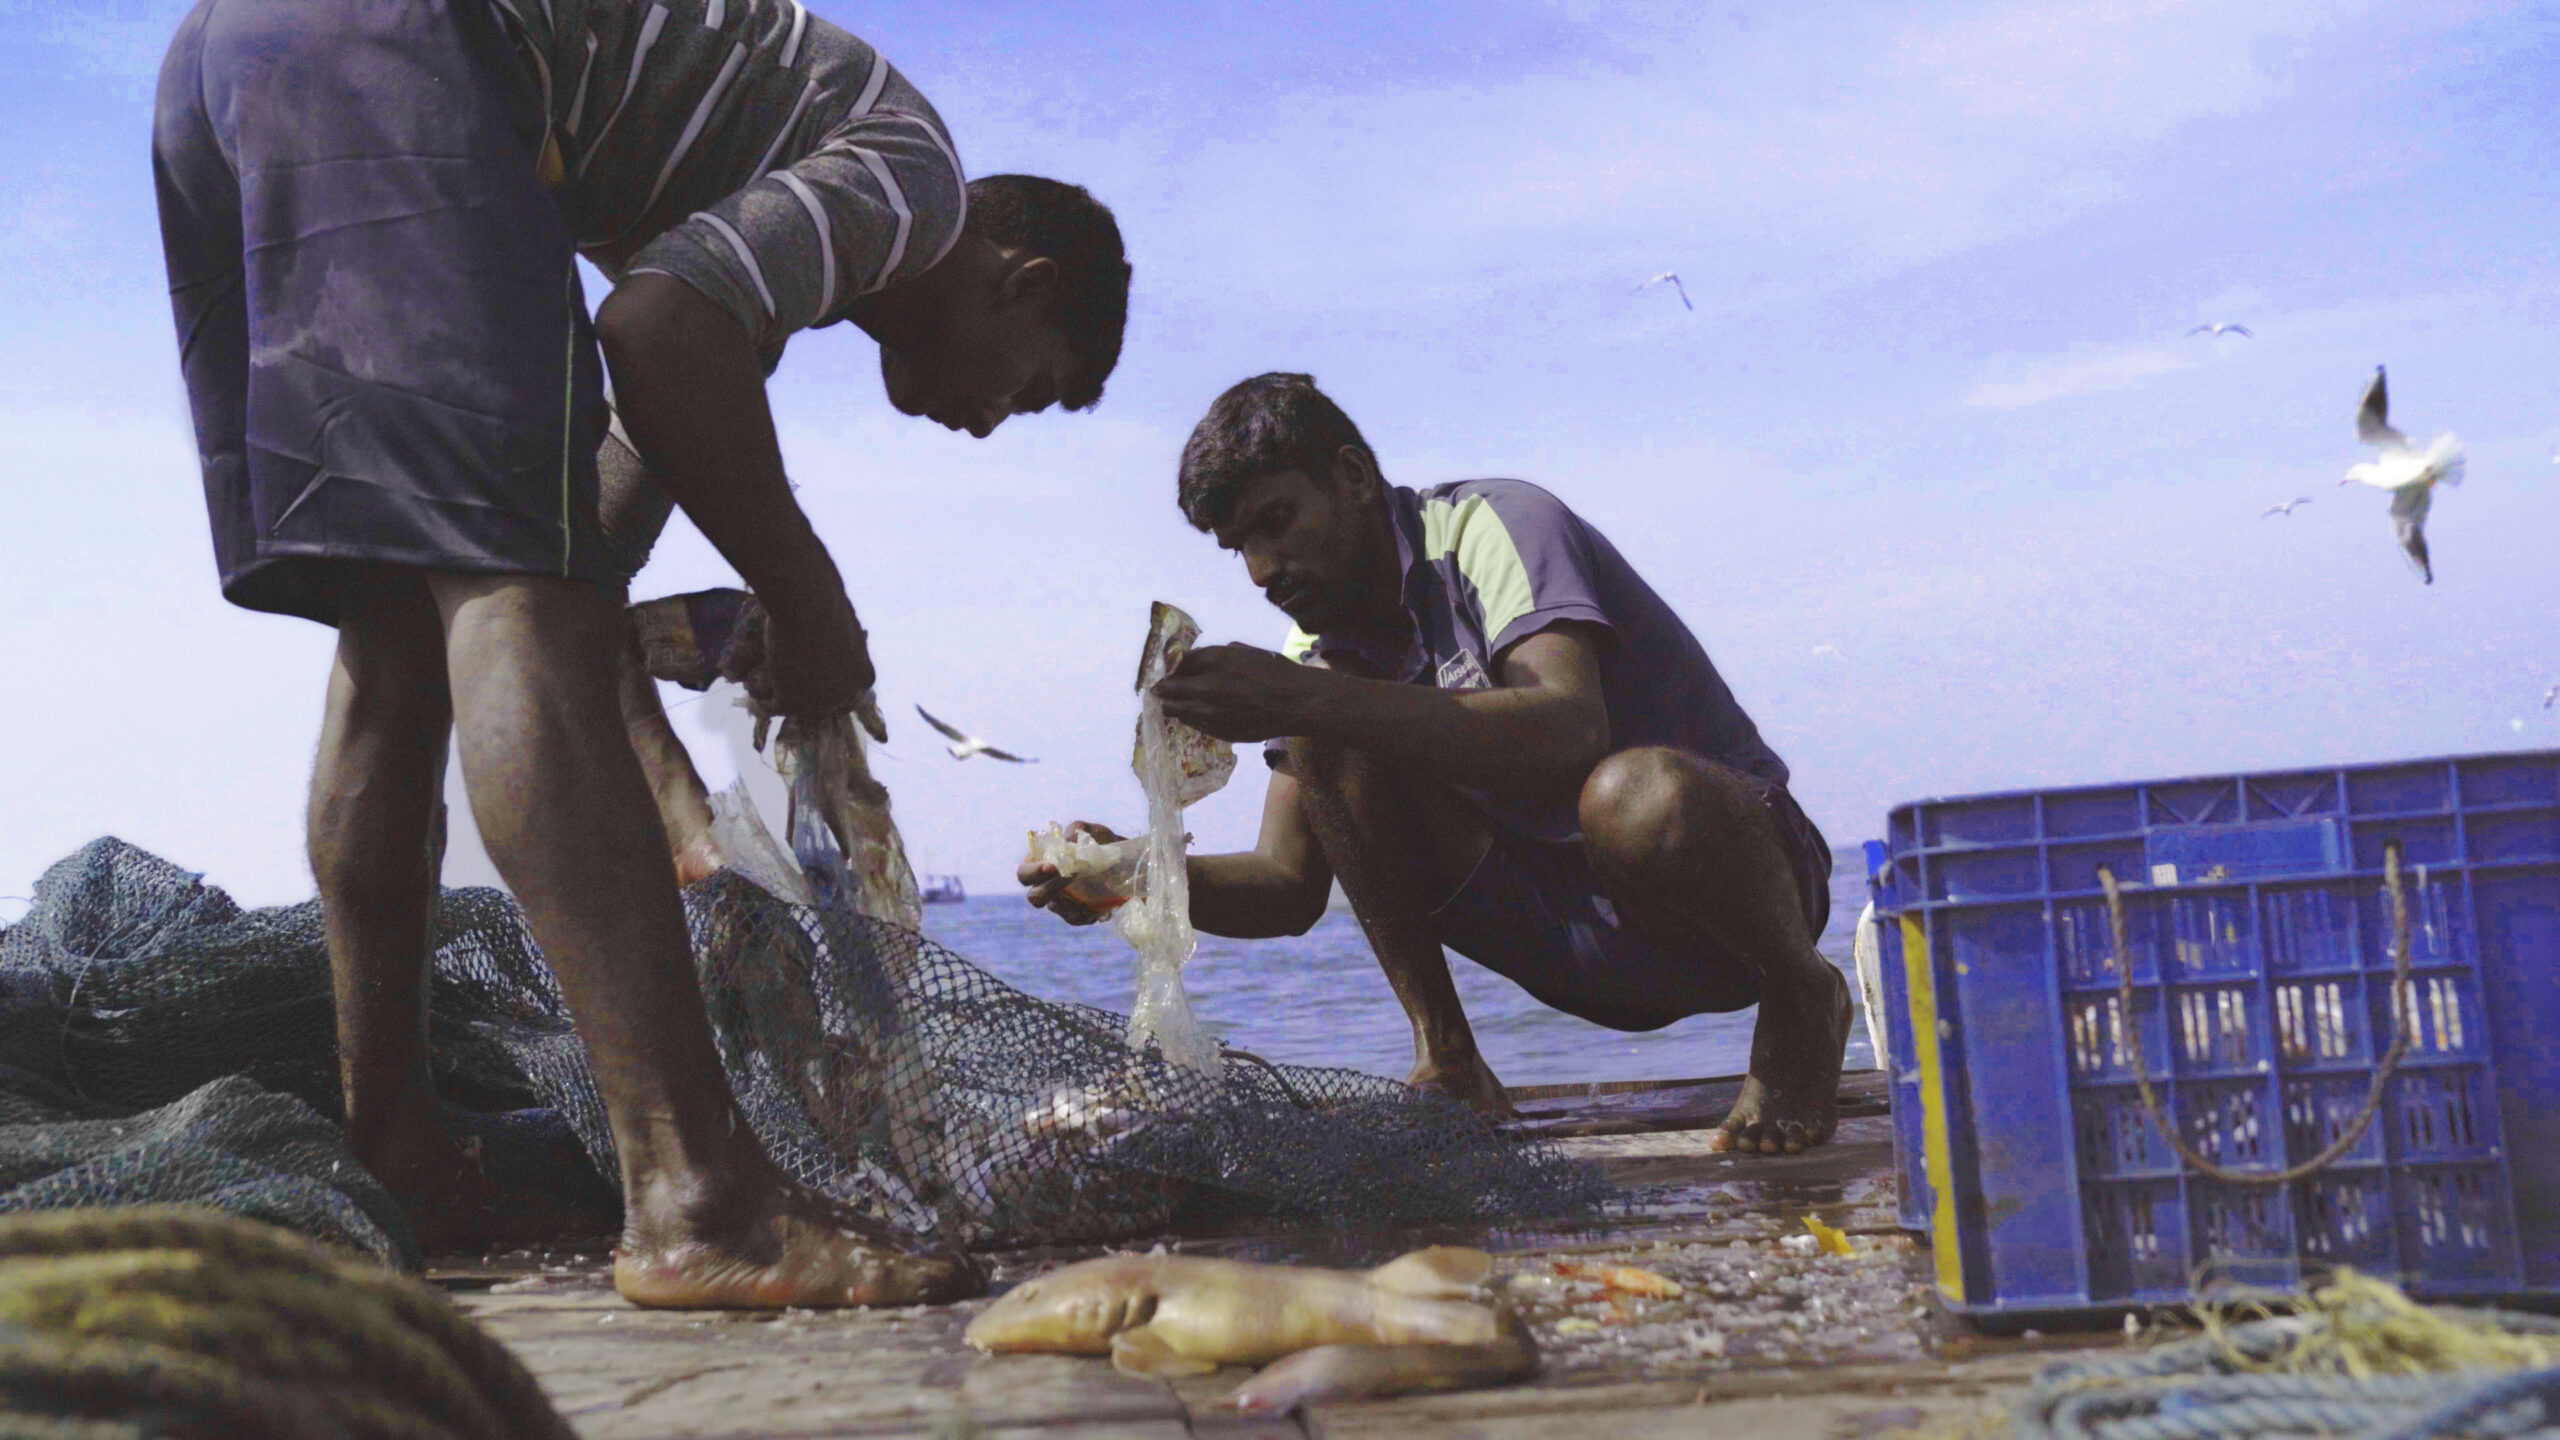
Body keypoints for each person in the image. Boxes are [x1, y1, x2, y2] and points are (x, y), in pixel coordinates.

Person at [153, 0, 1130, 1305]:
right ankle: (695, 1200)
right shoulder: (917, 181)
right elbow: (652, 347)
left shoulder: (765, 241)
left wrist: (704, 620)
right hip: (407, 41)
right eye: (1035, 385)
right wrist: (811, 602)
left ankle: (396, 1149)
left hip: (223, 61)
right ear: (1027, 283)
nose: (996, 420)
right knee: (506, 594)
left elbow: (588, 521)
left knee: (400, 635)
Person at [1021, 374, 1848, 1154]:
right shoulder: (1316, 652)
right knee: (1330, 731)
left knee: (1633, 795)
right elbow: (1287, 885)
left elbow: (1569, 727)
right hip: (1577, 944)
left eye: (1276, 522)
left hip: (1736, 905)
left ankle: (1803, 996)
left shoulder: (1497, 527)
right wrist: (1132, 870)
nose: (1262, 571)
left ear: (1350, 476)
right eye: (1239, 546)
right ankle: (1447, 1056)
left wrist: (1301, 700)